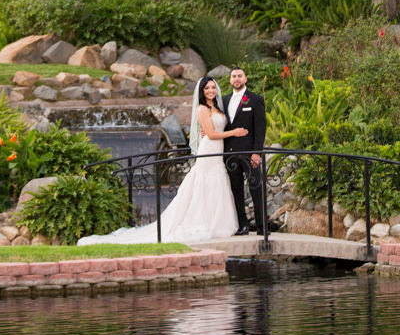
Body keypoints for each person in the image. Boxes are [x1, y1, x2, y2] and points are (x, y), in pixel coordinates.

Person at [77, 76, 247, 245]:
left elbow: (215, 128)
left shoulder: (217, 107)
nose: (211, 90)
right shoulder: (202, 109)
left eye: (212, 87)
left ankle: (218, 221)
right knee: (205, 183)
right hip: (209, 148)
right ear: (202, 92)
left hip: (218, 151)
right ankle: (203, 223)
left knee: (216, 184)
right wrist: (234, 133)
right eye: (207, 88)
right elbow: (211, 134)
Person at [224, 67, 267, 235]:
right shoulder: (224, 100)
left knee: (256, 188)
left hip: (250, 153)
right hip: (229, 154)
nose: (237, 79)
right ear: (230, 80)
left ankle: (262, 227)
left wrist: (257, 152)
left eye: (239, 76)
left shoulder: (256, 100)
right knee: (236, 191)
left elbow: (260, 128)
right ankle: (243, 225)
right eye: (234, 76)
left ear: (245, 79)